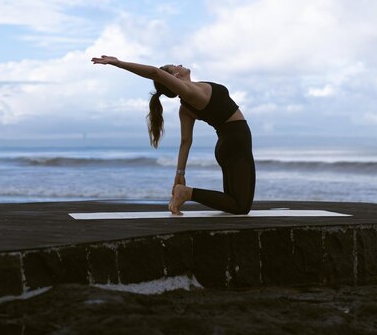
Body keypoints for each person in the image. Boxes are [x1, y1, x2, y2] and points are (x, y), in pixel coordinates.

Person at [91, 56, 256, 216]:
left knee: (234, 202)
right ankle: (187, 193)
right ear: (175, 77)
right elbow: (155, 73)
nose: (180, 64)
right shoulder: (190, 93)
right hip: (235, 143)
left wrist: (180, 174)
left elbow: (186, 141)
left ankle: (185, 192)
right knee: (240, 206)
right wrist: (119, 63)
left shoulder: (187, 105)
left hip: (229, 145)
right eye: (175, 66)